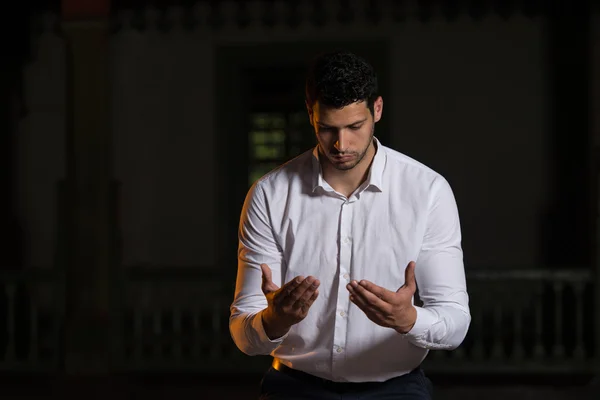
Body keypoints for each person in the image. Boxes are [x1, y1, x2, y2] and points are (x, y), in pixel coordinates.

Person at [229, 51, 471, 400]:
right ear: (310, 114)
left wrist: (408, 319)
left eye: (354, 127)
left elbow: (456, 323)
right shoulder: (269, 194)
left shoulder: (428, 191)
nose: (341, 144)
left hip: (398, 390)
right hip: (293, 387)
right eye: (327, 128)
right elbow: (242, 332)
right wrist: (274, 320)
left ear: (377, 110)